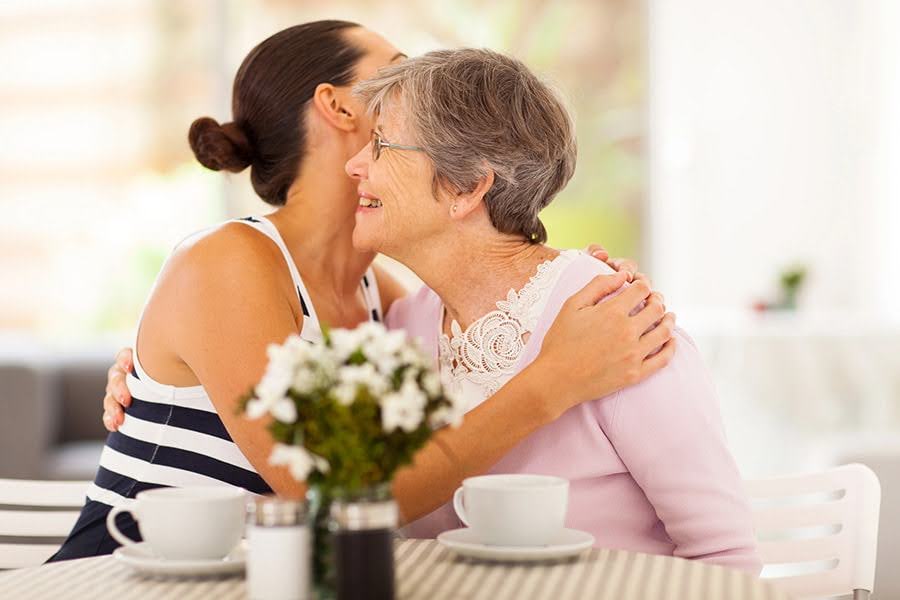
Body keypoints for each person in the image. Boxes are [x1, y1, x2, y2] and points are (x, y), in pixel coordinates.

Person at [51, 21, 673, 562]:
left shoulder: (385, 295)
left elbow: (491, 315)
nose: (417, 92)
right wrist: (554, 381)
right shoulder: (226, 262)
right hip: (122, 575)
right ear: (340, 107)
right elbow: (328, 496)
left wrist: (584, 287)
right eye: (397, 76)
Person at [338, 48, 760, 572]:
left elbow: (724, 556)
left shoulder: (618, 320)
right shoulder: (404, 329)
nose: (354, 165)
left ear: (465, 187)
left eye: (380, 145)